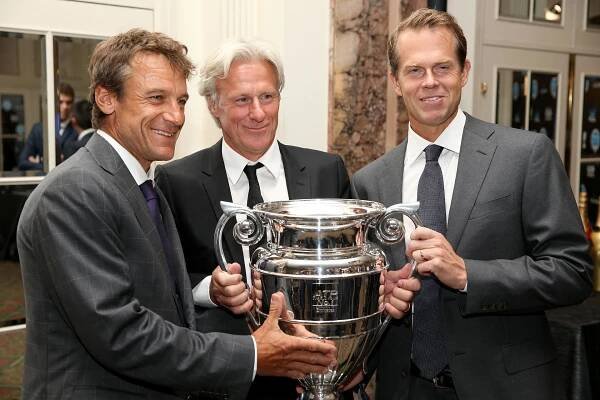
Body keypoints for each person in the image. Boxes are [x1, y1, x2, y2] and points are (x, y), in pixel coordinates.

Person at [17, 29, 339, 400]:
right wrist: (252, 354)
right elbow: (122, 335)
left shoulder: (141, 185)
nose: (175, 116)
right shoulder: (73, 193)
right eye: (156, 98)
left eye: (181, 100)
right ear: (106, 98)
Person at [350, 8, 593, 400]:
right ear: (395, 82)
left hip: (506, 388)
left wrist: (467, 275)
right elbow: (370, 296)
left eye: (443, 67)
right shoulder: (369, 181)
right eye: (415, 71)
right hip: (406, 388)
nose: (430, 82)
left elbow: (573, 272)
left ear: (464, 72)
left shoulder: (525, 154)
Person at [156, 39, 419, 400]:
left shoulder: (327, 171)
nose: (258, 112)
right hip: (227, 383)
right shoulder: (176, 181)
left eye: (267, 96)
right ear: (214, 106)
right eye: (242, 100)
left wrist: (357, 364)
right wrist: (211, 291)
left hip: (323, 374)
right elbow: (164, 282)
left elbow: (366, 280)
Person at [18, 82, 77, 170]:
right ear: (53, 102)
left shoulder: (77, 129)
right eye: (60, 102)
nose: (65, 106)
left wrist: (39, 161)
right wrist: (45, 166)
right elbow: (22, 162)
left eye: (68, 103)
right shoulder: (38, 129)